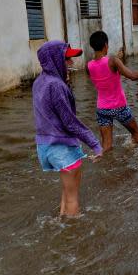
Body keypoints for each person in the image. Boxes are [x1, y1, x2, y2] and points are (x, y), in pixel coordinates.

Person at [33, 41, 104, 217]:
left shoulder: (39, 81)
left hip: (45, 146)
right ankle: (75, 236)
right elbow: (70, 122)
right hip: (62, 147)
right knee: (73, 198)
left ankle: (61, 221)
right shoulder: (56, 85)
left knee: (66, 194)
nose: (71, 63)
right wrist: (95, 144)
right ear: (54, 60)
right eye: (67, 59)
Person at [88, 31, 138, 151]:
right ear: (106, 45)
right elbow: (133, 76)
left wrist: (117, 61)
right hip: (118, 107)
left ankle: (102, 162)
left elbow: (102, 70)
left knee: (106, 146)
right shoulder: (113, 61)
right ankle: (132, 157)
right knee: (136, 135)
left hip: (102, 109)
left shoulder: (88, 65)